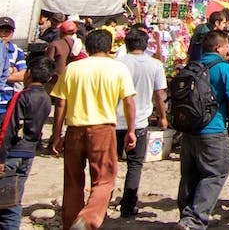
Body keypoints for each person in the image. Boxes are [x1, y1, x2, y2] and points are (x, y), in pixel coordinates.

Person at [51, 28, 137, 230]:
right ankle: (88, 219)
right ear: (109, 47)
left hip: (74, 129)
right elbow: (129, 102)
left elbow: (61, 104)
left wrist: (57, 135)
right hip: (103, 129)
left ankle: (70, 223)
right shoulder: (117, 69)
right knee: (104, 180)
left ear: (87, 47)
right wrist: (131, 130)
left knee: (72, 181)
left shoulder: (73, 68)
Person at [176, 30, 229, 230]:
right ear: (218, 47)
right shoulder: (224, 68)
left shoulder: (192, 66)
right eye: (226, 46)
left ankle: (185, 214)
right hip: (214, 129)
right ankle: (194, 220)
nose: (228, 50)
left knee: (190, 174)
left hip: (189, 129)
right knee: (216, 173)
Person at [116, 28, 168, 218]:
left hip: (115, 120)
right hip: (139, 122)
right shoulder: (155, 65)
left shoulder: (118, 63)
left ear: (126, 44)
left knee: (110, 163)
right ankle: (128, 206)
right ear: (146, 45)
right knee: (135, 164)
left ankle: (102, 200)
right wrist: (162, 116)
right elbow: (160, 95)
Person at [0, 56, 54, 230]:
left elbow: (8, 128)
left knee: (6, 202)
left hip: (12, 154)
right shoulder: (46, 99)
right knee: (14, 196)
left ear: (28, 74)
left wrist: (1, 157)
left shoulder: (21, 97)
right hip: (28, 154)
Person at [0, 17, 26, 124]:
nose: (4, 34)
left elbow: (23, 75)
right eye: (1, 30)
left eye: (7, 31)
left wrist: (3, 74)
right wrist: (10, 70)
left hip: (7, 102)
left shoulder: (17, 51)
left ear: (12, 33)